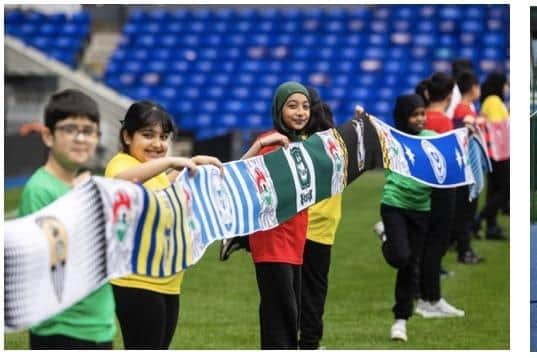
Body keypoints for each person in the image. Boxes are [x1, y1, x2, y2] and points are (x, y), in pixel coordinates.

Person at [104, 100, 223, 349]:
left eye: (164, 136)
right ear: (127, 136)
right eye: (148, 135)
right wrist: (170, 162)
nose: (158, 144)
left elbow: (161, 187)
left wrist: (194, 161)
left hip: (168, 281)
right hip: (137, 281)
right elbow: (121, 183)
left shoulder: (154, 170)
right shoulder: (122, 164)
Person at [18, 89, 116, 349]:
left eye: (89, 130)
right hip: (62, 330)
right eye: (71, 129)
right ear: (48, 136)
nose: (81, 138)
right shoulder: (40, 189)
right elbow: (49, 264)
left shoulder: (81, 185)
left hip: (99, 324)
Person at [242, 81, 311, 349]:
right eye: (292, 106)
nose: (300, 112)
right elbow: (244, 178)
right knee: (280, 317)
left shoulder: (301, 144)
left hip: (294, 243)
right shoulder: (273, 144)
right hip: (273, 243)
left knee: (286, 316)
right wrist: (260, 145)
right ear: (278, 109)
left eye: (305, 106)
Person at [377, 94, 434, 342]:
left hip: (422, 208)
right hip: (394, 204)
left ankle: (401, 321)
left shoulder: (433, 139)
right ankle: (385, 234)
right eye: (415, 114)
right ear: (403, 116)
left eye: (423, 113)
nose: (420, 119)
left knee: (411, 266)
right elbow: (368, 134)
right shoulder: (392, 138)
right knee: (400, 257)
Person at [415, 73, 465, 319]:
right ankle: (431, 298)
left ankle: (424, 295)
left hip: (423, 189)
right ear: (448, 96)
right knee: (436, 245)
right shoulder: (443, 123)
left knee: (426, 244)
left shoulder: (421, 118)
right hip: (442, 190)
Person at [451, 71, 485, 264]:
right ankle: (464, 250)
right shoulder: (464, 111)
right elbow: (467, 127)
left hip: (466, 166)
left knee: (465, 210)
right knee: (466, 211)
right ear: (473, 88)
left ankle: (462, 246)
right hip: (467, 167)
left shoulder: (463, 109)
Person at [473, 72, 510, 240]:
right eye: (505, 84)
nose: (506, 88)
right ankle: (479, 219)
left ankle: (491, 226)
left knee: (494, 190)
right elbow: (497, 129)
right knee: (505, 190)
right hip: (498, 153)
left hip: (493, 153)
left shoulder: (489, 101)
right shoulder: (495, 101)